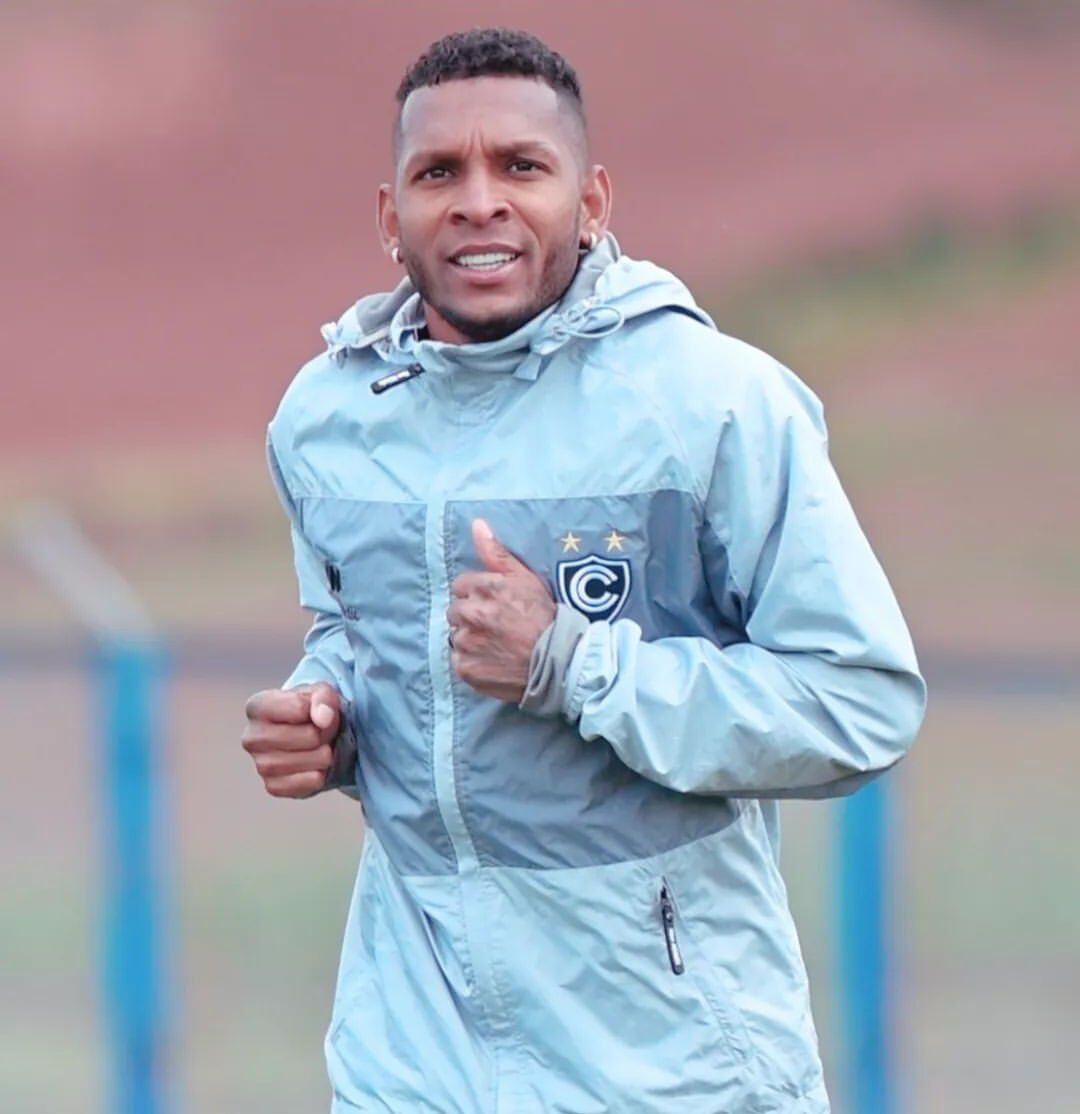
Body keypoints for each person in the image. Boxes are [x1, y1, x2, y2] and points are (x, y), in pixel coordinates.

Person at [241, 27, 926, 1114]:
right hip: (410, 1059)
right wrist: (329, 716)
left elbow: (862, 702)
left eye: (521, 166)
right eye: (438, 173)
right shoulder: (322, 418)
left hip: (671, 1067)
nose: (478, 201)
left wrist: (572, 664)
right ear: (389, 217)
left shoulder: (713, 403)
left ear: (593, 201)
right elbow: (350, 626)